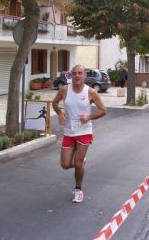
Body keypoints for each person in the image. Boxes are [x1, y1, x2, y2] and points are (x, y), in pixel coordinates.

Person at [52, 65, 107, 203]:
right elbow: (54, 103)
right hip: (69, 131)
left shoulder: (91, 92)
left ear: (84, 75)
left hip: (84, 131)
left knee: (77, 162)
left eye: (80, 73)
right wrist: (60, 112)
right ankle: (81, 163)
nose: (77, 76)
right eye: (74, 73)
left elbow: (103, 110)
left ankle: (78, 190)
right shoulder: (65, 90)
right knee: (65, 165)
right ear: (71, 75)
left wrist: (89, 117)